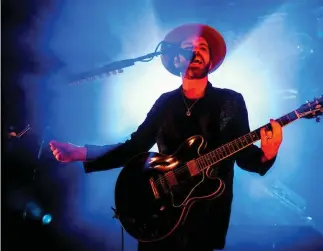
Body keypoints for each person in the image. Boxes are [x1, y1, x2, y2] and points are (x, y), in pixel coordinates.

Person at [50, 24, 283, 251]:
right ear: (175, 59)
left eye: (202, 47)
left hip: (205, 217)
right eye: (187, 46)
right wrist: (81, 153)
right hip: (158, 212)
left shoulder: (230, 101)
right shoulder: (165, 103)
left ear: (210, 61)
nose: (195, 50)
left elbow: (243, 155)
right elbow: (135, 147)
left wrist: (268, 154)